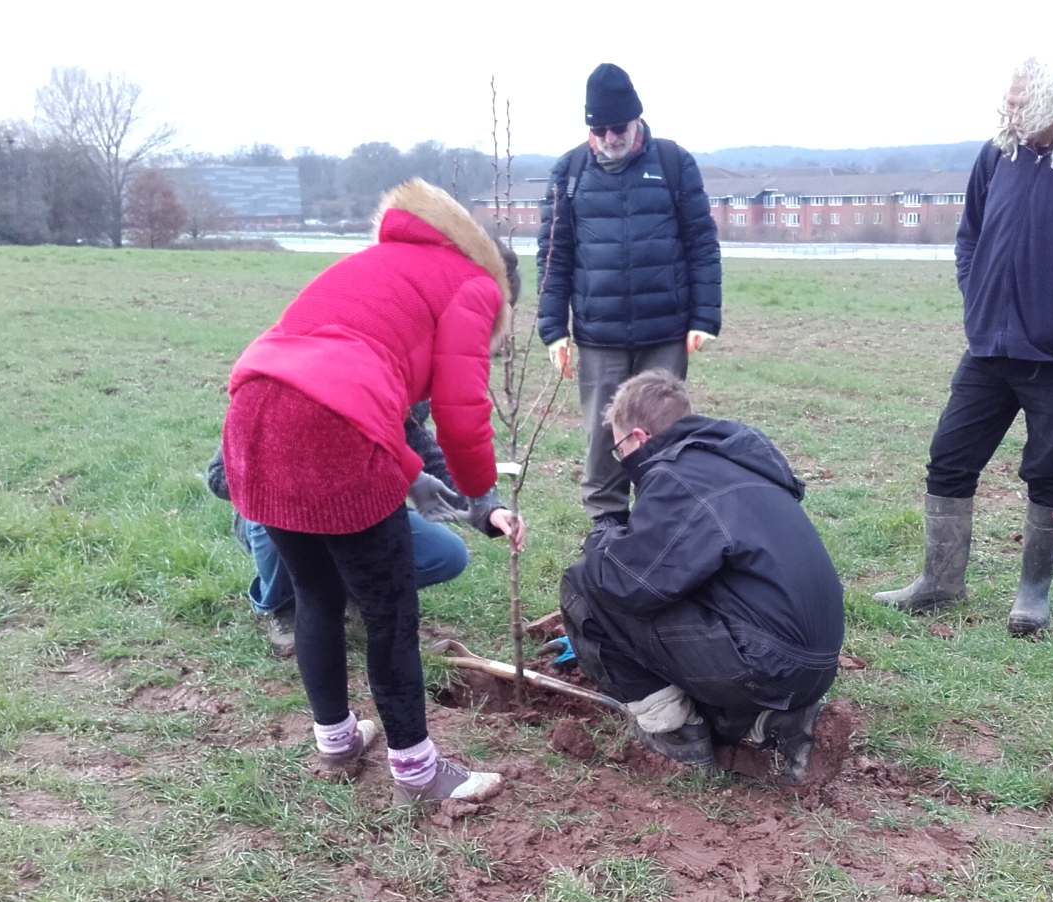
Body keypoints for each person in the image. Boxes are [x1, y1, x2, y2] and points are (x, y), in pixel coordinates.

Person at [223, 179, 524, 802]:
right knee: (389, 610)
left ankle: (336, 740)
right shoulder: (475, 286)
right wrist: (479, 489)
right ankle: (417, 770)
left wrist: (451, 491)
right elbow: (461, 410)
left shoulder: (383, 266)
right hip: (334, 429)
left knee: (315, 592)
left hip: (253, 413)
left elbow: (385, 396)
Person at [874, 56, 1053, 635]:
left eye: (1020, 103)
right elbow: (970, 236)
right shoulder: (996, 153)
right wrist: (975, 295)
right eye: (1007, 100)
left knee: (1047, 470)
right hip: (990, 346)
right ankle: (940, 582)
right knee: (949, 458)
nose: (1008, 111)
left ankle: (1033, 596)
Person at [559, 371, 844, 785]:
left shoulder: (677, 479)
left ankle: (674, 730)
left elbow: (627, 584)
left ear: (638, 437)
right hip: (813, 664)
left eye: (620, 448)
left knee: (585, 583)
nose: (622, 462)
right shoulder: (735, 461)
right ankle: (772, 719)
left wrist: (604, 534)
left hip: (765, 664)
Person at [537, 63, 722, 531]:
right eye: (597, 129)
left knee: (663, 431)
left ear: (636, 120)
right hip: (599, 336)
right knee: (605, 439)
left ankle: (665, 522)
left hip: (666, 331)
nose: (607, 137)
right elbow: (554, 257)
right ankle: (607, 527)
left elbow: (702, 245)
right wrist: (554, 328)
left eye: (616, 127)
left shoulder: (674, 163)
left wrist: (704, 317)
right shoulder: (570, 171)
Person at [206, 404, 494, 656]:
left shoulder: (396, 388)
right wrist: (288, 477)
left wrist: (487, 508)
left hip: (354, 513)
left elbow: (427, 456)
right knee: (272, 524)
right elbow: (218, 476)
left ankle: (355, 590)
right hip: (279, 510)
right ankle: (282, 606)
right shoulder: (277, 392)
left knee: (447, 554)